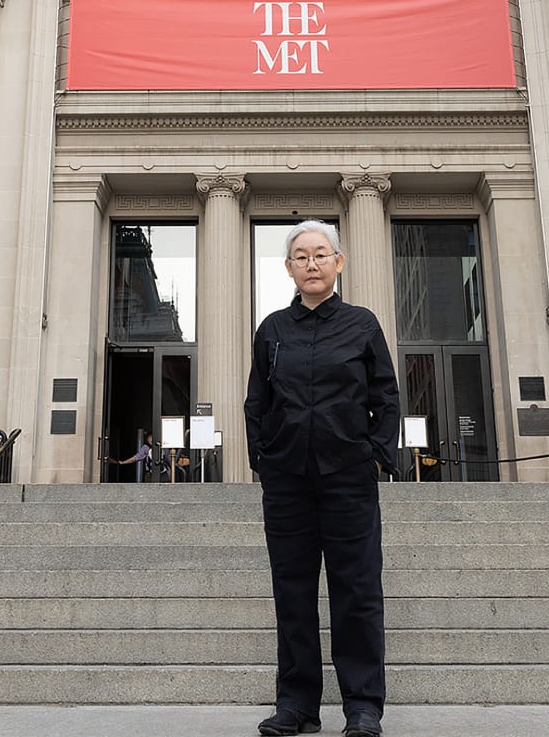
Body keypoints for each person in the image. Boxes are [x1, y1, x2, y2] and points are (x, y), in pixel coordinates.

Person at [244, 220, 400, 737]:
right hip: (287, 481)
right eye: (301, 256)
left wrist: (375, 455)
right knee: (292, 593)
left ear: (339, 262)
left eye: (320, 254)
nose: (311, 263)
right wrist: (262, 461)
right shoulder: (272, 330)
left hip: (348, 479)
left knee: (356, 590)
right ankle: (297, 704)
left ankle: (362, 706)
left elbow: (386, 397)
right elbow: (257, 404)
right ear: (289, 268)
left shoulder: (362, 325)